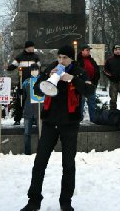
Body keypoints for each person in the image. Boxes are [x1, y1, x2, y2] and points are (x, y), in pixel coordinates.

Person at [21, 44, 95, 211]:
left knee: (68, 164)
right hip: (49, 122)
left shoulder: (79, 71)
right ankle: (34, 201)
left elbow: (90, 91)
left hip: (69, 123)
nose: (61, 60)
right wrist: (47, 76)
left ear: (71, 59)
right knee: (39, 162)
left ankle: (65, 201)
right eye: (59, 57)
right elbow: (37, 91)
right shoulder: (51, 68)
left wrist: (72, 79)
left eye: (65, 58)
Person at [7, 41, 41, 125]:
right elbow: (13, 66)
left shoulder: (36, 57)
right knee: (20, 100)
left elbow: (39, 68)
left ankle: (33, 119)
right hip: (22, 82)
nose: (33, 48)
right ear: (27, 47)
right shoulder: (19, 57)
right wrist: (7, 67)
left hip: (33, 82)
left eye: (33, 46)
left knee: (33, 101)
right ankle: (17, 119)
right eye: (31, 47)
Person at [76, 44, 99, 122]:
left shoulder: (92, 60)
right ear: (82, 51)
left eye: (89, 50)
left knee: (92, 102)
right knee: (80, 103)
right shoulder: (77, 61)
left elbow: (97, 71)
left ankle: (93, 119)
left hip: (91, 85)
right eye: (87, 50)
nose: (88, 51)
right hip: (81, 85)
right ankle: (79, 119)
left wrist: (94, 82)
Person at [103, 45, 120, 110]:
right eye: (116, 50)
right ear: (113, 51)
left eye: (119, 49)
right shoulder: (109, 60)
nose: (117, 51)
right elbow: (105, 70)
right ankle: (113, 115)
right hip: (114, 82)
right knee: (113, 100)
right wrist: (111, 77)